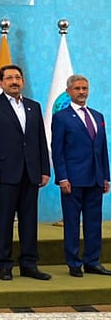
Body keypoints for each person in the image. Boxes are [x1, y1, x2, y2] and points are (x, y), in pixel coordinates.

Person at [0, 64, 51, 281]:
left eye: (17, 77)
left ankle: (29, 264)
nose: (14, 81)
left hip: (31, 172)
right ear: (1, 82)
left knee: (29, 221)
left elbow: (40, 139)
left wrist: (45, 169)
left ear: (23, 81)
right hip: (3, 173)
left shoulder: (33, 106)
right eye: (9, 78)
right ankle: (4, 265)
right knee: (4, 220)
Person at [50, 74, 111, 277]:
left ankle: (92, 261)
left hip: (95, 179)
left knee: (94, 223)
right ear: (69, 92)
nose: (82, 92)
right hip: (72, 180)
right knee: (72, 223)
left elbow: (102, 149)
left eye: (85, 88)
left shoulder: (97, 116)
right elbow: (57, 149)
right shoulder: (61, 117)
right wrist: (62, 178)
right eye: (77, 88)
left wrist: (105, 177)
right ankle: (74, 263)